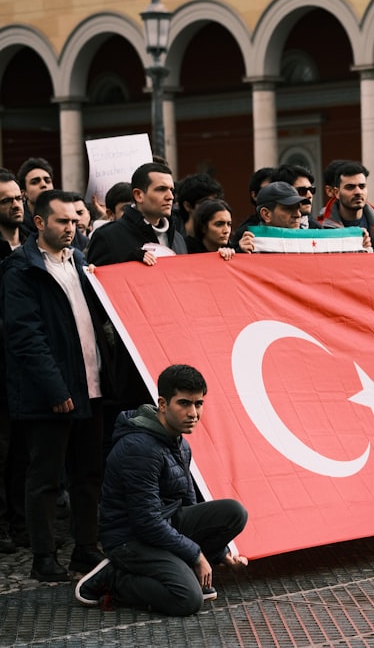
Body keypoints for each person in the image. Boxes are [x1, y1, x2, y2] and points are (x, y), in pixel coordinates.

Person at [74, 365, 249, 615]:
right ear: (163, 404)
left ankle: (181, 570)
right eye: (184, 403)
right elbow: (145, 522)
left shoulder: (180, 442)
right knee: (187, 600)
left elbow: (187, 506)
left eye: (198, 404)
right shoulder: (140, 448)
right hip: (130, 540)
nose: (193, 413)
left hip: (163, 526)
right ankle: (113, 577)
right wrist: (196, 555)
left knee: (234, 512)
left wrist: (221, 554)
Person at [1, 190, 110, 581]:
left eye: (74, 221)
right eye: (62, 221)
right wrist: (56, 389)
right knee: (45, 477)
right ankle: (44, 558)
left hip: (90, 386)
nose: (72, 227)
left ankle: (85, 549)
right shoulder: (21, 270)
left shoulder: (79, 261)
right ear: (40, 222)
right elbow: (24, 338)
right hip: (51, 395)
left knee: (88, 474)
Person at [86, 163, 187, 266]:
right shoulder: (108, 237)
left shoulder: (177, 239)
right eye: (161, 189)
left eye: (171, 190)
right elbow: (95, 280)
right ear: (138, 195)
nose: (170, 197)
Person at [317, 161, 374, 252]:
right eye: (350, 187)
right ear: (336, 193)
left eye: (362, 186)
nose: (358, 192)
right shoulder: (320, 230)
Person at [236, 182, 305, 253]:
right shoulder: (249, 245)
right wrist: (241, 253)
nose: (298, 215)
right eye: (289, 208)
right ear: (266, 214)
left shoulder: (310, 242)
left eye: (299, 208)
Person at [274, 163, 319, 229]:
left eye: (312, 190)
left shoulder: (319, 230)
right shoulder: (257, 234)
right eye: (302, 191)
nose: (309, 195)